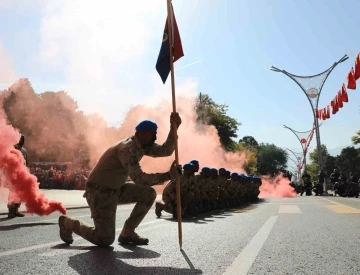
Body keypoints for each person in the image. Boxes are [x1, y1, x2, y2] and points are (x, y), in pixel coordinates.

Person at [58, 113, 182, 247]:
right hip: (99, 192)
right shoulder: (127, 148)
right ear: (142, 134)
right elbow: (139, 179)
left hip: (116, 189)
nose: (155, 137)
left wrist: (173, 128)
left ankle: (127, 233)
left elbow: (166, 150)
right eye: (153, 134)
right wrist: (168, 175)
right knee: (104, 239)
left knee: (149, 193)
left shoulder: (142, 145)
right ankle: (68, 223)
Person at [7, 134, 27, 218]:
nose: (22, 141)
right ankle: (11, 211)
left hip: (22, 174)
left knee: (20, 193)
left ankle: (16, 210)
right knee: (13, 193)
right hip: (13, 174)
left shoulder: (24, 151)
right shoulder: (12, 148)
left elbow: (26, 163)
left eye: (23, 140)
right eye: (20, 139)